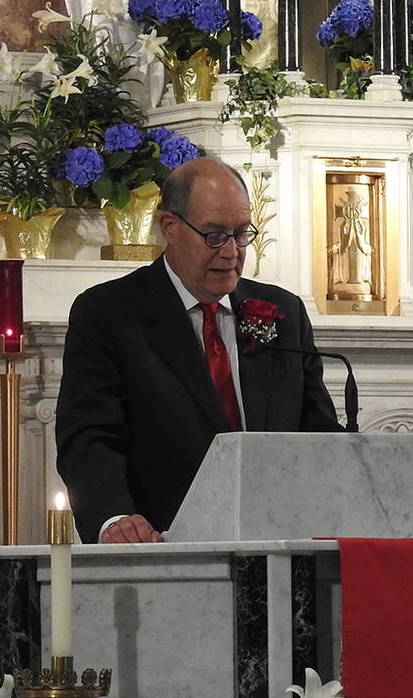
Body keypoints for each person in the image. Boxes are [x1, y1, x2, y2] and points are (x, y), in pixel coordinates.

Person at [55, 157, 342, 543]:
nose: (231, 251)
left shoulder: (284, 312)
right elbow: (90, 437)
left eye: (242, 234)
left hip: (280, 543)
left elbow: (318, 437)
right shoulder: (110, 313)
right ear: (170, 227)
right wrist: (114, 519)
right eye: (214, 235)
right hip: (163, 546)